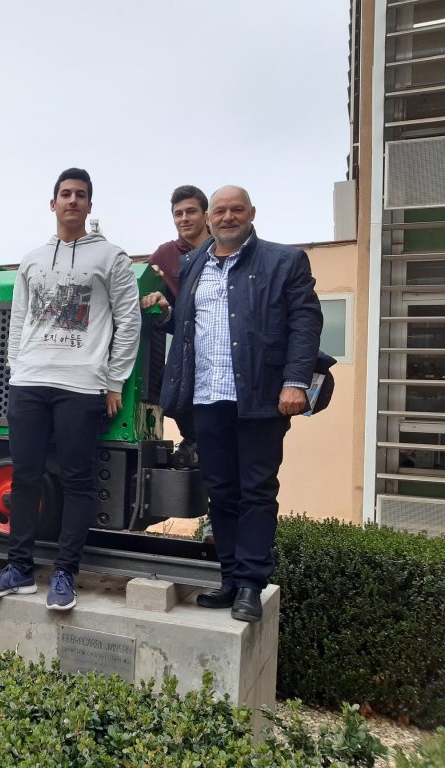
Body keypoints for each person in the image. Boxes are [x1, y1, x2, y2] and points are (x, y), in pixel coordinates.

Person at [0, 168, 141, 611]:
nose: (72, 200)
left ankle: (65, 572)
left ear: (89, 205)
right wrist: (16, 370)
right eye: (65, 194)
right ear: (53, 203)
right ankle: (19, 569)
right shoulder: (31, 259)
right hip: (29, 382)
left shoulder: (112, 257)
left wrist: (114, 380)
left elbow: (129, 321)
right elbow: (18, 320)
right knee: (24, 477)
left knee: (77, 480)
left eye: (80, 195)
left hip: (81, 384)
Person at [158, 185, 322, 622]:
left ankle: (250, 583)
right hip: (206, 397)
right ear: (210, 218)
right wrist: (166, 313)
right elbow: (190, 323)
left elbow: (306, 322)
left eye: (236, 210)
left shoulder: (284, 260)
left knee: (256, 492)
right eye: (220, 211)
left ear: (251, 213)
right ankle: (230, 579)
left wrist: (295, 381)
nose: (227, 217)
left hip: (260, 397)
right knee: (222, 493)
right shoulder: (194, 263)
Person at [140, 185, 213, 539]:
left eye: (191, 211)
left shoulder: (224, 249)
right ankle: (213, 512)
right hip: (187, 356)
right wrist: (157, 302)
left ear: (206, 214)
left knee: (226, 438)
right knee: (193, 425)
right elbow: (155, 305)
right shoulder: (166, 255)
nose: (184, 219)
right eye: (178, 214)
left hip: (223, 355)